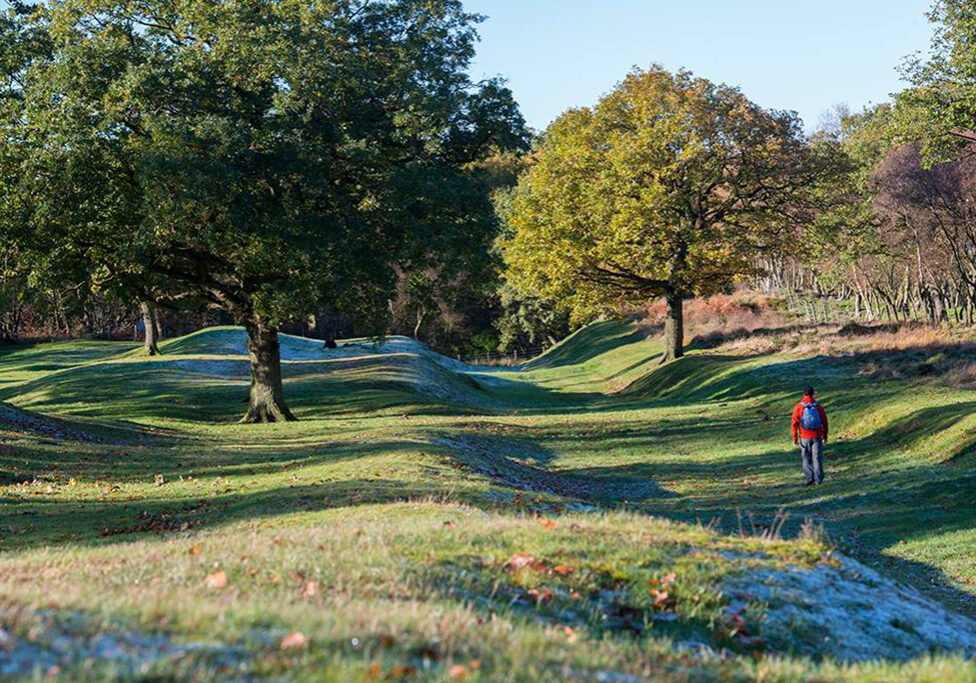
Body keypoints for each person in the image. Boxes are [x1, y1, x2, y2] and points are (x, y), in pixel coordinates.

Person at [791, 386, 829, 486]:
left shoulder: (799, 407)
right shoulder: (818, 406)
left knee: (806, 458)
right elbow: (824, 421)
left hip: (804, 436)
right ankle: (818, 480)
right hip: (817, 436)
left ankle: (809, 477)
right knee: (817, 458)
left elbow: (794, 423)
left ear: (804, 394)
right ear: (813, 394)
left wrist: (795, 438)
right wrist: (825, 435)